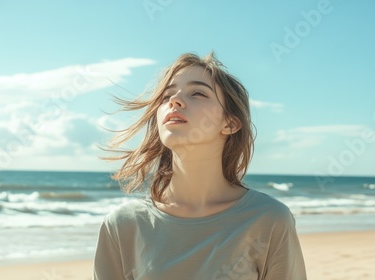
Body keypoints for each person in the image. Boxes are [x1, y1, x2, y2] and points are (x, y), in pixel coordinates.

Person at [93, 52, 307, 279]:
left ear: (230, 123)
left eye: (197, 93)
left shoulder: (269, 219)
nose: (174, 101)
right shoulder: (122, 225)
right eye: (166, 96)